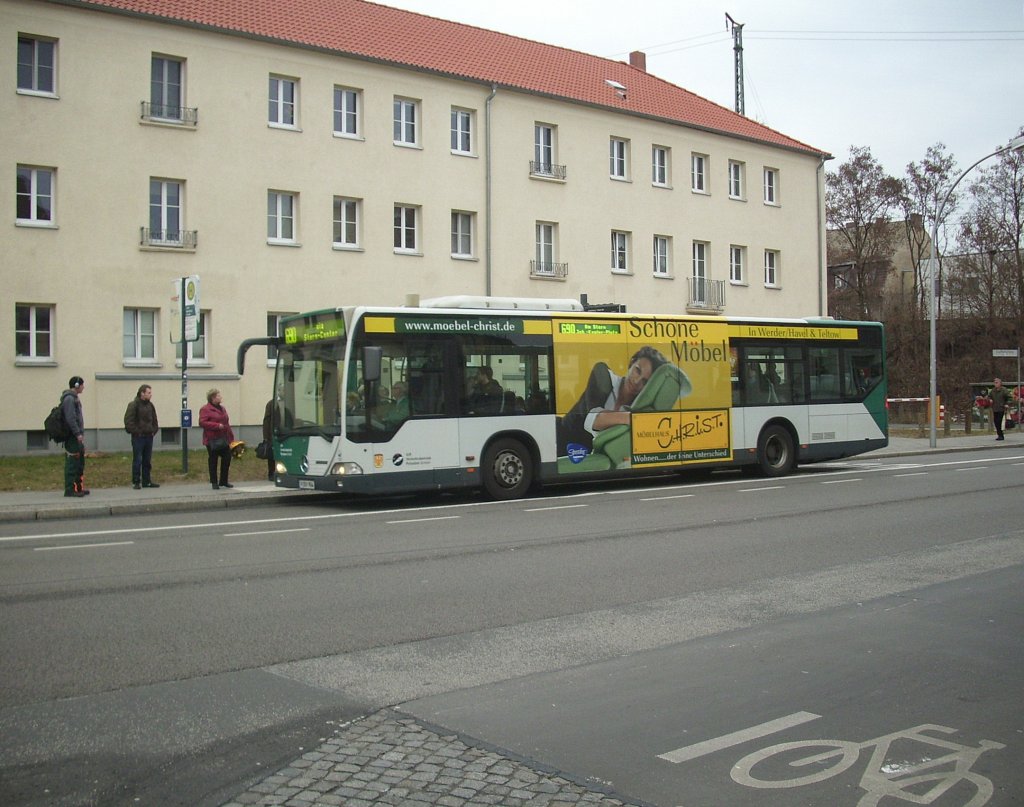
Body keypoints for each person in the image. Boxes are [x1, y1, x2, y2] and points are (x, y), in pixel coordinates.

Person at [558, 346, 668, 455]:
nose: (636, 381)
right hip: (564, 437)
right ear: (632, 362)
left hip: (590, 455)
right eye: (637, 370)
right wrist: (636, 419)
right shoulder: (603, 373)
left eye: (644, 382)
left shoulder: (640, 403)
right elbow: (594, 420)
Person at [124, 384, 160, 489]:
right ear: (142, 393)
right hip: (138, 437)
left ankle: (147, 480)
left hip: (149, 436)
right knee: (137, 459)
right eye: (148, 393)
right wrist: (137, 431)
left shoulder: (150, 405)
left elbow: (154, 419)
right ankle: (136, 481)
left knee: (147, 460)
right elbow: (128, 421)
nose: (150, 395)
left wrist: (154, 430)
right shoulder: (133, 405)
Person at [199, 388, 235, 489]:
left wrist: (231, 437)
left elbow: (226, 423)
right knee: (213, 460)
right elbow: (202, 422)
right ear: (213, 398)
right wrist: (216, 425)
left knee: (227, 458)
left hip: (223, 438)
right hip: (212, 440)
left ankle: (223, 481)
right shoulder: (206, 409)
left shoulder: (222, 408)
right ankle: (214, 482)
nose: (220, 397)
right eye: (218, 395)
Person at [61, 376, 89, 497]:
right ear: (77, 385)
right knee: (72, 462)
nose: (83, 387)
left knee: (79, 462)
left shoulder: (74, 398)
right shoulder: (69, 399)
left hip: (77, 436)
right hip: (72, 437)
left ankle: (78, 487)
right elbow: (71, 419)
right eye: (82, 385)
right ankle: (69, 489)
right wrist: (77, 433)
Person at [262, 398, 276, 481]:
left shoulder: (286, 402)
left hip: (283, 432)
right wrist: (266, 437)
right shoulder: (271, 404)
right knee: (271, 455)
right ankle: (271, 473)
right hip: (272, 433)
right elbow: (266, 421)